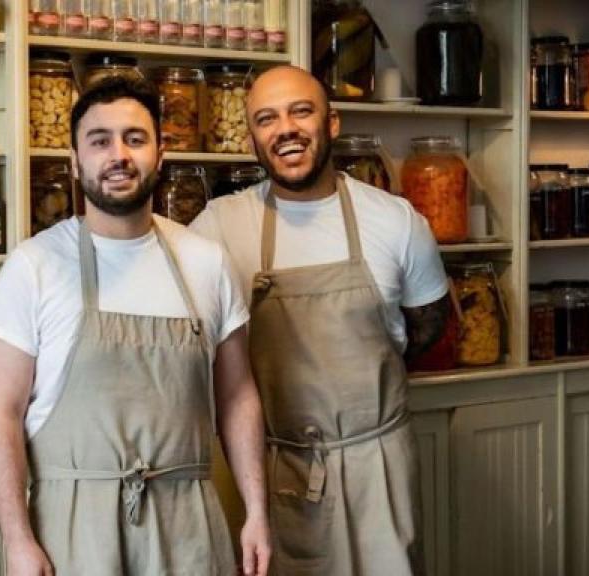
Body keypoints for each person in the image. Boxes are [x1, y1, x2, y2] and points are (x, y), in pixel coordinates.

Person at [0, 77, 271, 576]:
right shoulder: (34, 266)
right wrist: (16, 540)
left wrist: (257, 512)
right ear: (74, 160)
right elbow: (0, 415)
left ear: (161, 153)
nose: (119, 154)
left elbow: (238, 396)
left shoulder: (205, 263)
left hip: (189, 523)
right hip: (73, 527)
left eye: (135, 138)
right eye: (100, 141)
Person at [190, 65, 450, 575]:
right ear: (252, 140)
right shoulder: (220, 226)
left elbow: (428, 327)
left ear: (331, 124)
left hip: (375, 463)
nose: (284, 128)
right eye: (266, 119)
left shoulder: (395, 221)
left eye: (300, 111)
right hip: (268, 469)